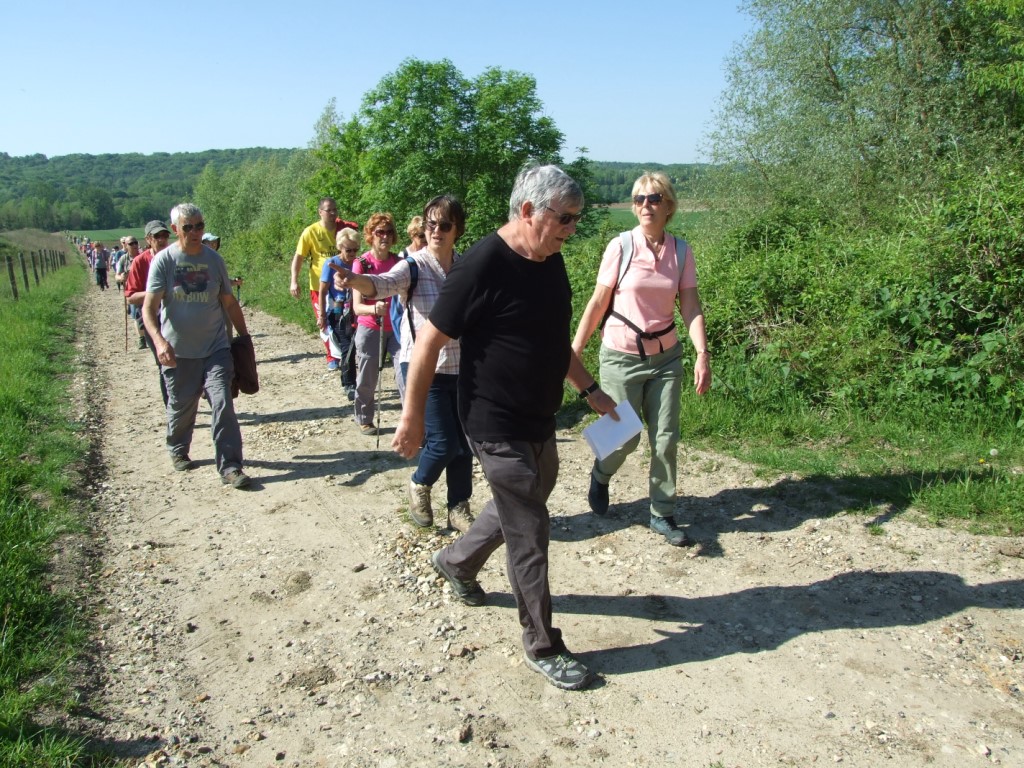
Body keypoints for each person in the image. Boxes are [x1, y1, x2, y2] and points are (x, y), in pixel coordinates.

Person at [394, 165, 615, 691]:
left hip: (539, 415)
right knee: (529, 528)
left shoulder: (550, 259)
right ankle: (542, 643)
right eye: (563, 218)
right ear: (527, 211)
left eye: (576, 219)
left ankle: (456, 560)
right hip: (492, 420)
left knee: (530, 495)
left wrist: (590, 390)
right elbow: (428, 343)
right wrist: (413, 415)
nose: (570, 229)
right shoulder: (480, 265)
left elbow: (552, 339)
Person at [571, 172, 712, 547]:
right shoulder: (621, 246)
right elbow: (598, 302)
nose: (644, 206)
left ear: (668, 205)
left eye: (652, 199)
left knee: (665, 437)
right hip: (620, 356)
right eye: (638, 199)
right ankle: (601, 475)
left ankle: (662, 513)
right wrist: (575, 350)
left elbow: (691, 305)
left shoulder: (681, 251)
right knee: (624, 436)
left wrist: (702, 353)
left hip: (666, 357)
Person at [334, 196, 472, 532]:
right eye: (430, 224)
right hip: (424, 367)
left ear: (457, 230)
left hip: (462, 367)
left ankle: (458, 507)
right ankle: (419, 484)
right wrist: (354, 282)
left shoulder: (465, 267)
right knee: (443, 442)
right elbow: (381, 285)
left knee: (464, 444)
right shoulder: (413, 266)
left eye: (444, 225)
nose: (435, 230)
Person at [142, 203, 252, 489]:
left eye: (199, 226)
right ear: (176, 229)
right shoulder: (164, 261)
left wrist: (244, 338)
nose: (194, 232)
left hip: (216, 347)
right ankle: (178, 448)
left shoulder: (214, 260)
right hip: (178, 352)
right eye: (188, 227)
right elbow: (149, 307)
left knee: (223, 403)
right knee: (181, 405)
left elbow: (228, 301)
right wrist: (159, 341)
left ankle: (230, 466)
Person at [351, 213, 401, 435]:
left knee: (406, 375)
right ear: (371, 235)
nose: (385, 237)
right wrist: (374, 308)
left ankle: (415, 424)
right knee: (367, 376)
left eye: (389, 232)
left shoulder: (399, 263)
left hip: (398, 329)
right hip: (371, 326)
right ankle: (364, 417)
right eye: (380, 232)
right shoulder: (361, 264)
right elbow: (356, 306)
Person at [126, 221, 173, 404]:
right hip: (153, 319)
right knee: (165, 363)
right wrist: (155, 293)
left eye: (164, 236)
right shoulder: (140, 262)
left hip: (178, 318)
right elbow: (131, 296)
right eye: (157, 237)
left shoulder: (176, 257)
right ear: (148, 239)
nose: (161, 240)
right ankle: (171, 408)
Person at [291, 197, 340, 370]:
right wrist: (294, 281)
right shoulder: (310, 232)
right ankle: (331, 356)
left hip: (341, 284)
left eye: (335, 209)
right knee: (323, 319)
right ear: (320, 212)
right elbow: (299, 257)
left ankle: (343, 351)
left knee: (342, 318)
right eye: (329, 210)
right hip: (319, 286)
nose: (333, 213)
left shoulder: (342, 229)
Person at [389, 216, 428, 400]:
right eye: (421, 236)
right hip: (405, 323)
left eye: (425, 236)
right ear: (413, 235)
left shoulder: (432, 256)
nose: (424, 241)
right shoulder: (403, 259)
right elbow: (396, 307)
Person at [318, 228, 360, 390]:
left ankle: (349, 379)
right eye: (348, 250)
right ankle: (349, 383)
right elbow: (322, 291)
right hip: (338, 312)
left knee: (356, 346)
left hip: (356, 309)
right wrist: (321, 315)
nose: (352, 253)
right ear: (340, 247)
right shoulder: (332, 264)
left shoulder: (359, 263)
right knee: (347, 345)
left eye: (355, 249)